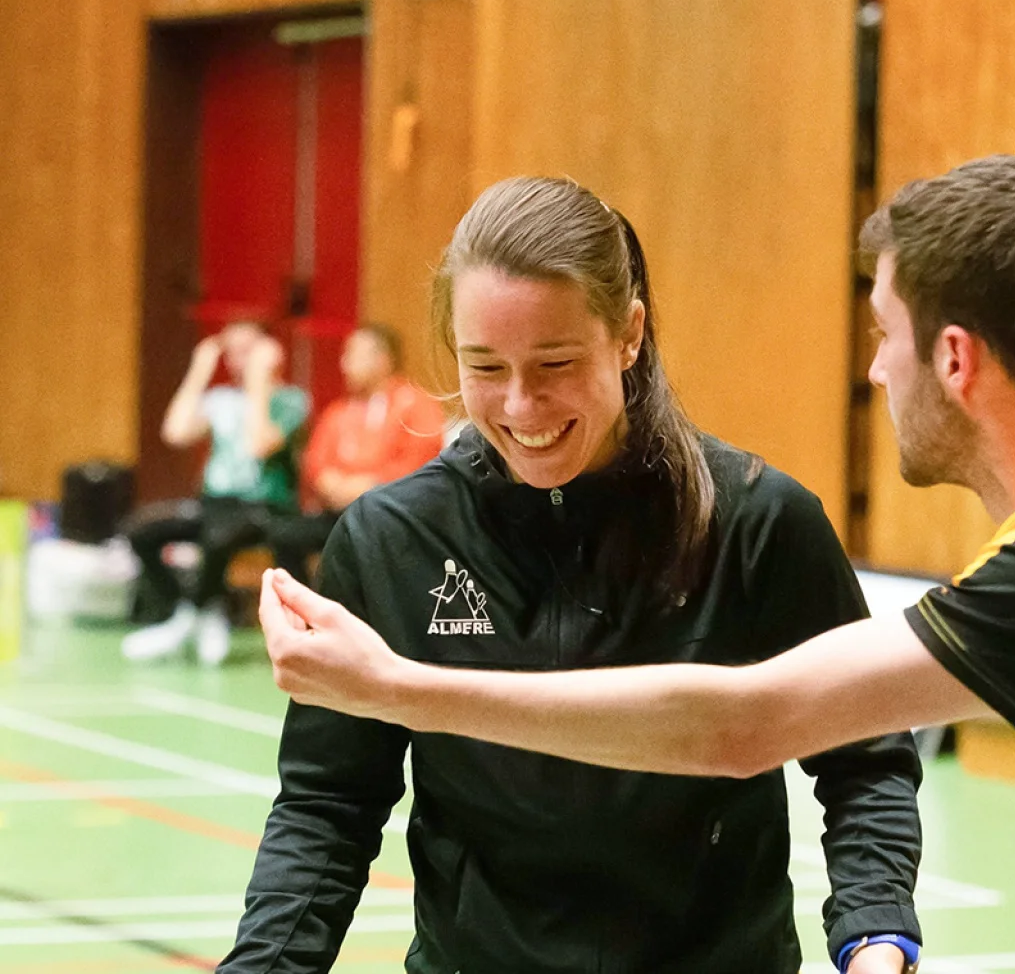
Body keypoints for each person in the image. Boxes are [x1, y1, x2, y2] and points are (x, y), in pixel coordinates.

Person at [261, 155, 1015, 974]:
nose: (873, 371)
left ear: (953, 359)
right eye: (489, 367)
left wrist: (395, 684)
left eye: (882, 336)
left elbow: (749, 725)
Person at [223, 178, 924, 974]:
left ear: (629, 335)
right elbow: (327, 806)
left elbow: (864, 755)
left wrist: (874, 935)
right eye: (484, 366)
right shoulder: (393, 541)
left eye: (555, 362)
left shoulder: (759, 521)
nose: (522, 406)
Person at [123, 320, 308, 665]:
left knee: (219, 536)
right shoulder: (221, 400)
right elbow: (175, 432)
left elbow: (259, 443)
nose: (240, 360)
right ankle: (192, 610)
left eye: (248, 351)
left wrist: (259, 381)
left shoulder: (291, 401)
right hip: (214, 504)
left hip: (263, 507)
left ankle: (192, 617)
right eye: (232, 352)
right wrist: (199, 370)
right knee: (142, 530)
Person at [266, 323, 446, 583]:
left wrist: (369, 485)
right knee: (284, 533)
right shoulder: (339, 410)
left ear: (383, 360)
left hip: (392, 515)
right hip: (339, 514)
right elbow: (315, 461)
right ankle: (306, 613)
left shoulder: (416, 404)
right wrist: (329, 484)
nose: (343, 364)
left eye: (352, 355)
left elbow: (422, 461)